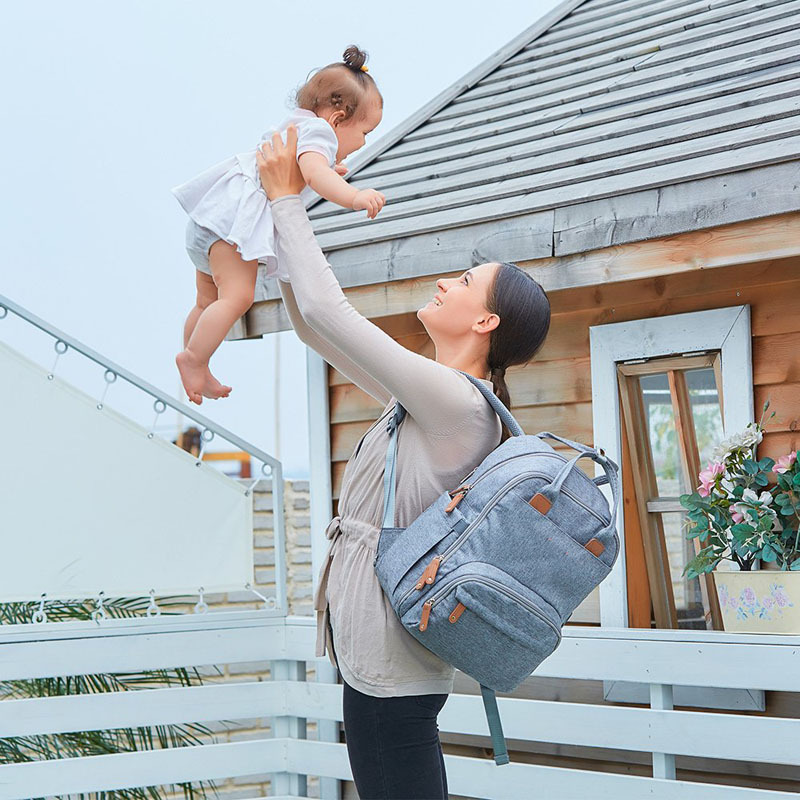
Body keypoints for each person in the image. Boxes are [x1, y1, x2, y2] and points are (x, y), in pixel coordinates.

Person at [256, 126, 551, 800]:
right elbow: (313, 325)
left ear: (486, 324)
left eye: (466, 282)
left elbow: (333, 309)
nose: (448, 283)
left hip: (392, 665)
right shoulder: (426, 401)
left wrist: (287, 203)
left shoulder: (455, 402)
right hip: (381, 655)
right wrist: (272, 229)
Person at [172, 46, 386, 404]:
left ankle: (197, 358)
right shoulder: (320, 133)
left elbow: (305, 169)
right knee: (237, 297)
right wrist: (354, 195)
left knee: (206, 301)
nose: (364, 143)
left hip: (207, 222)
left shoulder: (297, 125)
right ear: (336, 120)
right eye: (365, 131)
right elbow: (315, 175)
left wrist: (323, 171)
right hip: (230, 232)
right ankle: (193, 359)